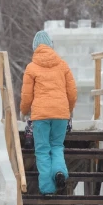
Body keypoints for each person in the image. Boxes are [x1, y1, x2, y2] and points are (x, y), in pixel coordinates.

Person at [20, 30, 77, 195]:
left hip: (41, 116)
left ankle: (47, 189)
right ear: (51, 46)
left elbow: (27, 95)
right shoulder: (63, 65)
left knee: (43, 150)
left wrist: (24, 111)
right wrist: (69, 109)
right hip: (61, 114)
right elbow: (72, 93)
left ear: (34, 47)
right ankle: (59, 172)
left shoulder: (31, 68)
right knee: (57, 146)